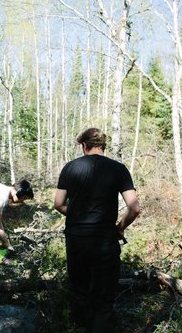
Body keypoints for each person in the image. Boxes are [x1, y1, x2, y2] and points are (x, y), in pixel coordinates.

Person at [54, 128, 140, 332]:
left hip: (75, 239)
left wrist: (77, 215)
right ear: (103, 145)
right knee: (103, 297)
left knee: (79, 290)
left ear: (84, 145)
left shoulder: (70, 168)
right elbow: (134, 208)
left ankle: (79, 327)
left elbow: (58, 204)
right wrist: (120, 227)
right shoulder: (118, 169)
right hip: (105, 238)